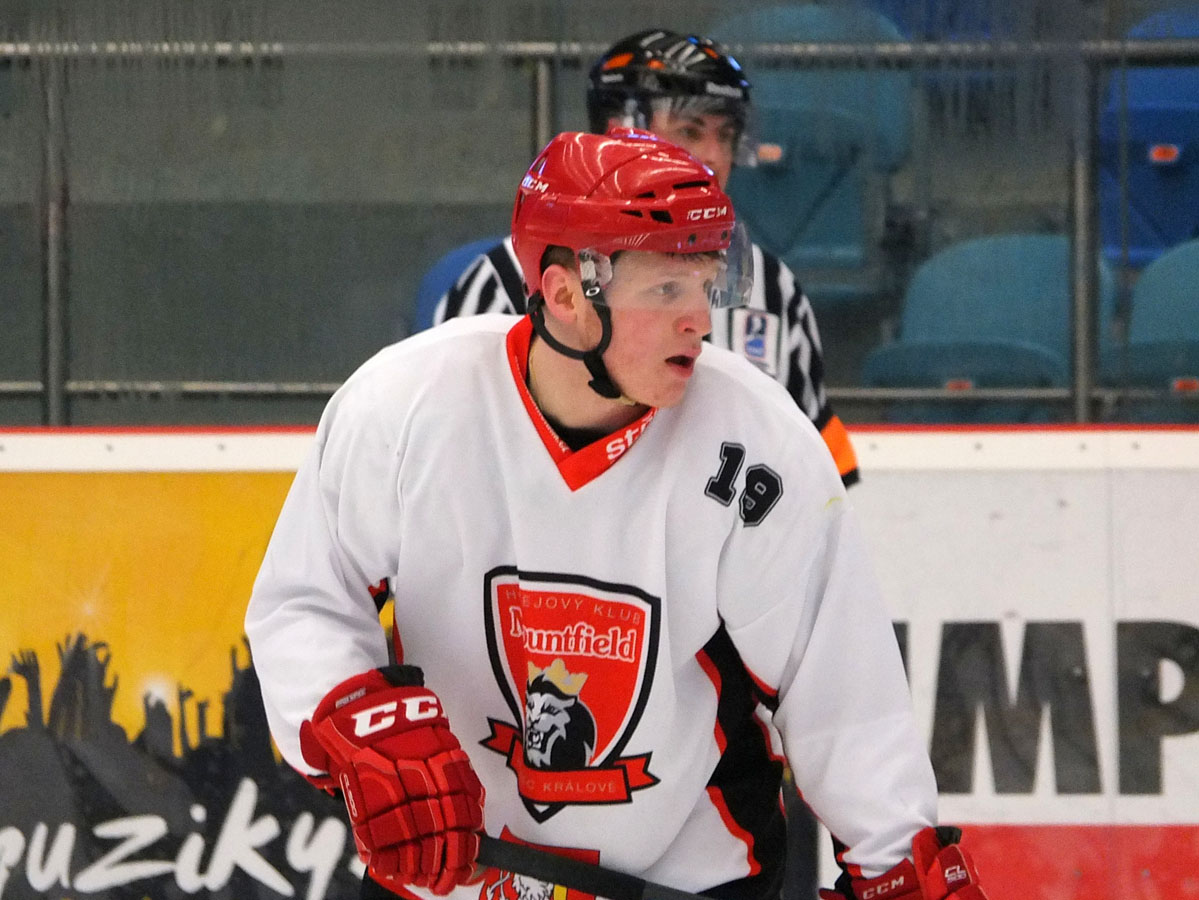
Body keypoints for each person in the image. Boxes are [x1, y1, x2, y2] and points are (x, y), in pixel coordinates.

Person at [246, 129, 988, 900]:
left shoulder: (757, 447)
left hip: (684, 876)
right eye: (665, 290)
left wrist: (896, 864)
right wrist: (359, 719)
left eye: (705, 284)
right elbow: (306, 601)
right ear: (566, 294)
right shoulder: (404, 407)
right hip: (453, 880)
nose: (699, 319)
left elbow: (840, 692)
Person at [433, 29, 860, 488]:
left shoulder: (774, 289)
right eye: (690, 131)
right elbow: (455, 460)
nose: (713, 158)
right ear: (619, 131)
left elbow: (816, 478)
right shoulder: (501, 281)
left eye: (726, 136)